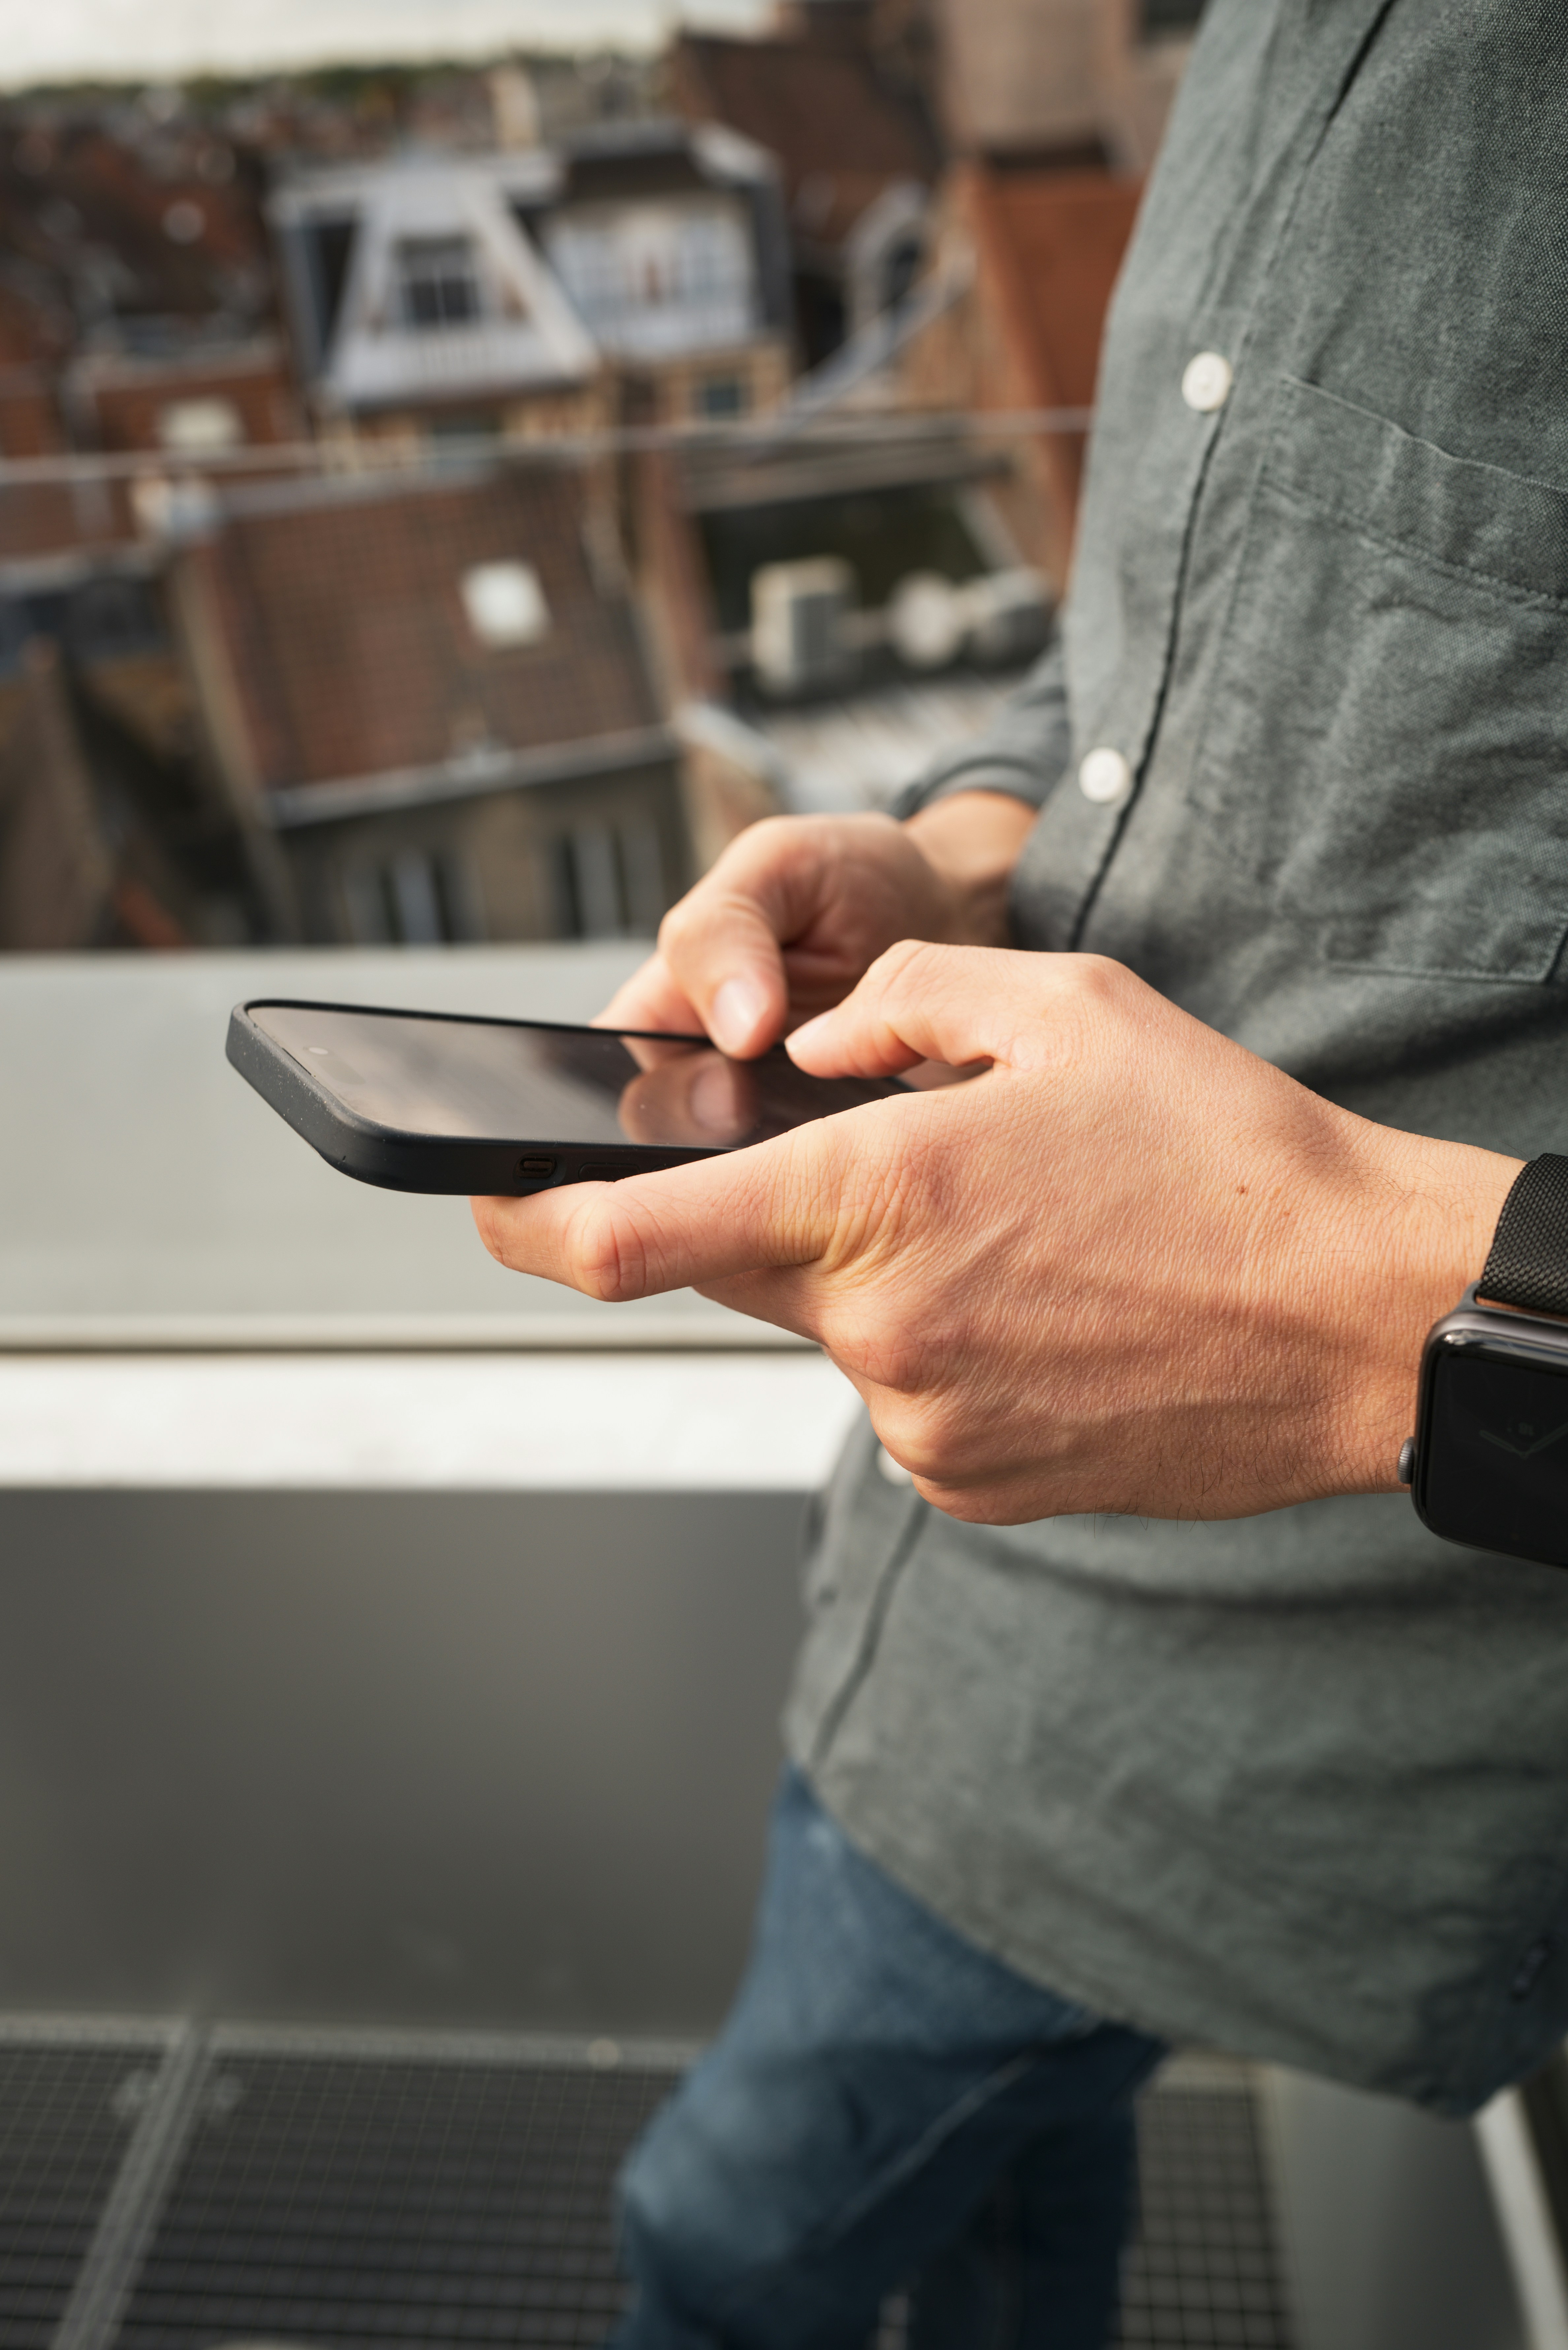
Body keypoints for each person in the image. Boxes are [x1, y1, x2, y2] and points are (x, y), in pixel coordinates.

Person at [474, 2, 1568, 2342]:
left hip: (1255, 1706)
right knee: (1008, 2227)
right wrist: (965, 852)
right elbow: (1169, 666)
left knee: (720, 2240)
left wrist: (1383, 1314)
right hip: (952, 1596)